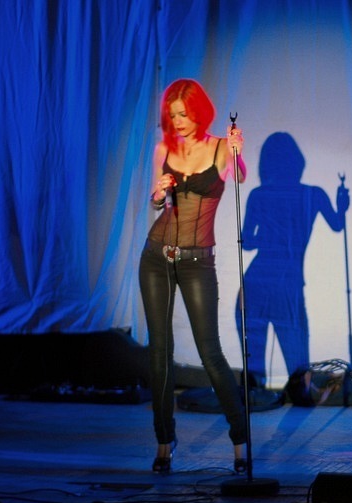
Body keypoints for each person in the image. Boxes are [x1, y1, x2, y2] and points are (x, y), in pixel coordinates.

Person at [139, 78, 249, 473]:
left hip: (198, 260)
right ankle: (164, 442)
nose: (178, 122)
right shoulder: (163, 149)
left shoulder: (219, 147)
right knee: (160, 354)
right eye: (172, 116)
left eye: (184, 114)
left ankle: (241, 444)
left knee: (210, 353)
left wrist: (237, 153)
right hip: (157, 257)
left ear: (199, 112)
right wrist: (158, 194)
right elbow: (156, 202)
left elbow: (239, 177)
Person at [236, 132, 349, 388]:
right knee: (297, 369)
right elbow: (337, 224)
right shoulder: (313, 195)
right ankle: (295, 394)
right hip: (287, 283)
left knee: (257, 367)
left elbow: (247, 241)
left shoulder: (259, 194)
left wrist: (268, 239)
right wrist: (342, 205)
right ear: (297, 161)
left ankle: (258, 397)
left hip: (258, 282)